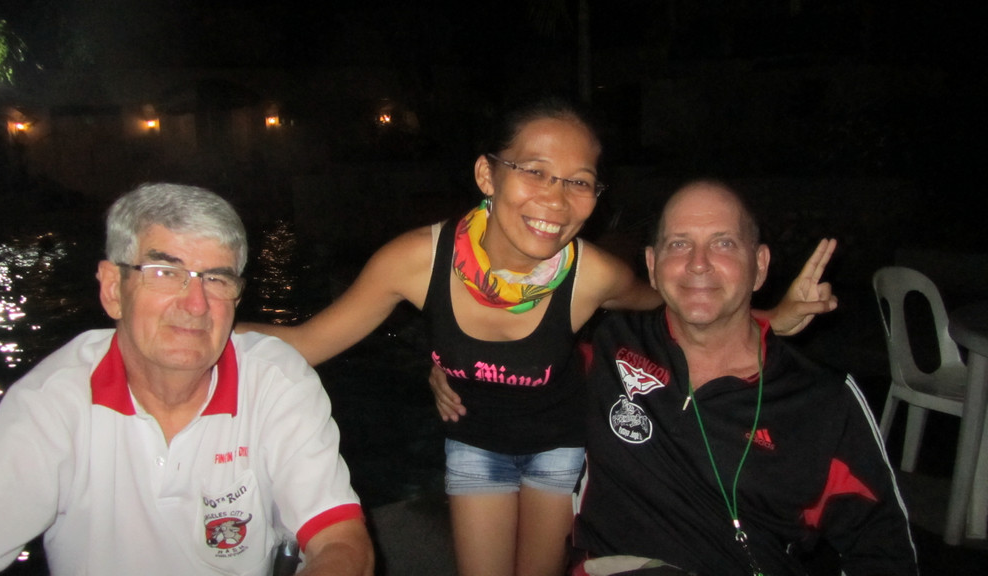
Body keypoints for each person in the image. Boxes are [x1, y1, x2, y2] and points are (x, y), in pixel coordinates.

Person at [241, 96, 837, 576]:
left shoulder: (593, 276)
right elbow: (306, 343)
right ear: (487, 174)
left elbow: (676, 302)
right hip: (475, 442)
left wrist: (769, 315)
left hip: (559, 445)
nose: (555, 198)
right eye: (535, 172)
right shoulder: (416, 262)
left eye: (579, 181)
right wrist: (202, 325)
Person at [0, 183, 374, 576]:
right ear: (113, 289)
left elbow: (341, 542)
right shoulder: (51, 402)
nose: (196, 304)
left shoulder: (275, 381)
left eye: (216, 279)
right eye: (164, 272)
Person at [569, 180, 917, 576]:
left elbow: (884, 549)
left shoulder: (819, 400)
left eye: (723, 243)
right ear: (652, 265)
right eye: (679, 244)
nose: (698, 263)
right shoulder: (609, 345)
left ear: (760, 266)